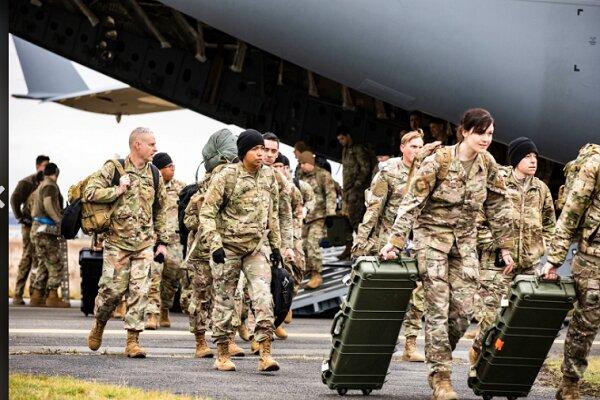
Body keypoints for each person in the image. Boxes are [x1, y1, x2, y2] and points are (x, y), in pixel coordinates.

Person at [380, 108, 514, 400]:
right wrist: (396, 241)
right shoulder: (439, 161)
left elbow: (498, 205)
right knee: (438, 310)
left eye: (490, 134)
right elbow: (412, 202)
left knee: (463, 313)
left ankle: (437, 355)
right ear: (464, 131)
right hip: (432, 241)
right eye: (480, 133)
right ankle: (441, 379)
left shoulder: (487, 164)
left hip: (465, 245)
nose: (486, 139)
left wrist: (505, 245)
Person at [198, 129, 281, 372]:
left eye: (263, 149)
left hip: (255, 248)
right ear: (243, 152)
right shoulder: (227, 175)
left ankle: (265, 354)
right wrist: (215, 244)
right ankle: (223, 354)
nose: (261, 153)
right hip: (228, 249)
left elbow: (272, 213)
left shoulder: (269, 176)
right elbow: (207, 212)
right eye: (256, 149)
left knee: (263, 297)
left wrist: (276, 246)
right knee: (225, 301)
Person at [469, 137, 555, 364]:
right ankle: (478, 354)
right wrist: (500, 247)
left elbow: (550, 225)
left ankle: (504, 366)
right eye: (527, 156)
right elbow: (477, 223)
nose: (533, 161)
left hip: (528, 267)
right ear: (516, 159)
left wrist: (540, 247)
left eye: (535, 156)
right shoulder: (498, 183)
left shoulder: (541, 189)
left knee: (521, 319)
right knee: (491, 318)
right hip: (497, 267)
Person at [86, 127, 169, 358]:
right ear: (137, 145)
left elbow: (161, 208)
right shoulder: (114, 168)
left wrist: (162, 241)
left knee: (140, 292)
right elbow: (90, 192)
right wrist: (117, 189)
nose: (155, 148)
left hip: (144, 245)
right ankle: (99, 323)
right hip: (117, 243)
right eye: (151, 144)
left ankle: (133, 341)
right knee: (111, 292)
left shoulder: (155, 174)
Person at [352, 129, 426, 362]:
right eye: (413, 146)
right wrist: (361, 241)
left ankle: (410, 344)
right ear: (403, 148)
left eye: (420, 147)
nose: (417, 151)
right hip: (389, 241)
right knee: (384, 294)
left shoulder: (427, 172)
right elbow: (374, 209)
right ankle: (375, 341)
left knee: (418, 294)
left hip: (418, 241)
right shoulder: (389, 172)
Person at [542, 144, 600, 400]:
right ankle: (570, 383)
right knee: (585, 324)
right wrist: (554, 259)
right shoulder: (595, 166)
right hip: (592, 258)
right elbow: (571, 213)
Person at [184, 128, 241, 359]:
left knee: (228, 295)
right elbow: (188, 221)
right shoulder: (203, 186)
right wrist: (201, 214)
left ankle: (228, 339)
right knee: (202, 295)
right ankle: (200, 340)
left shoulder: (236, 180)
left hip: (226, 248)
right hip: (202, 250)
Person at [145, 152, 186, 330]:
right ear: (159, 170)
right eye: (169, 167)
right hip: (154, 240)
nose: (173, 169)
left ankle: (164, 308)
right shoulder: (150, 186)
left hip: (175, 241)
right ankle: (152, 314)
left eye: (173, 166)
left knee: (173, 277)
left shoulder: (180, 187)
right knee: (153, 276)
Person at [273, 153, 315, 324]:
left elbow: (311, 200)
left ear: (287, 168)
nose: (278, 170)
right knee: (278, 272)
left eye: (280, 167)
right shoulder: (270, 184)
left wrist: (306, 210)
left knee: (298, 270)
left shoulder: (298, 186)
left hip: (295, 235)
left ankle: (288, 301)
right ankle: (277, 312)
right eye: (275, 166)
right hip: (276, 235)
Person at [11, 155, 49, 305]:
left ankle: (35, 294)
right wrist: (20, 217)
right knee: (27, 257)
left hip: (41, 226)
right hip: (28, 226)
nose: (46, 169)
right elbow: (14, 199)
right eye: (45, 166)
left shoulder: (46, 182)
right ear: (38, 166)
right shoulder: (26, 183)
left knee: (39, 258)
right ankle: (18, 294)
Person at [29, 163, 68, 308]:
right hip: (45, 231)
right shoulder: (50, 186)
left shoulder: (41, 185)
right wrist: (59, 221)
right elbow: (48, 205)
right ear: (56, 172)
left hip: (38, 229)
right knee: (55, 263)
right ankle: (52, 297)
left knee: (44, 264)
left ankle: (37, 296)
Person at [297, 151, 337, 289]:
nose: (302, 166)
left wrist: (331, 215)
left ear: (311, 163)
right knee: (302, 244)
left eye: (304, 163)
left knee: (312, 243)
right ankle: (307, 269)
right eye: (300, 163)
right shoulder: (300, 176)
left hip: (319, 216)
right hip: (305, 216)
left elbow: (330, 194)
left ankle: (316, 274)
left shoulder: (323, 175)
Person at [336, 125, 373, 259]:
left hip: (357, 192)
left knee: (356, 220)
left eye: (342, 139)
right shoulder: (345, 150)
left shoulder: (358, 149)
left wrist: (357, 185)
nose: (341, 142)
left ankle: (364, 248)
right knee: (346, 220)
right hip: (347, 191)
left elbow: (365, 168)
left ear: (348, 136)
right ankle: (349, 247)